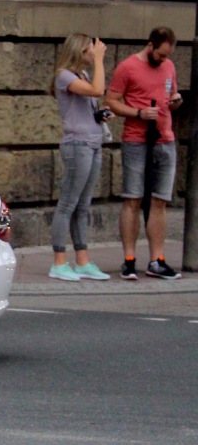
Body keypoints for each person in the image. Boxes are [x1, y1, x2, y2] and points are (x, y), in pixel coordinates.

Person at [105, 26, 184, 280]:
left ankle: (157, 259)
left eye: (166, 56)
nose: (163, 60)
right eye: (160, 55)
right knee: (133, 198)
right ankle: (129, 259)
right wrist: (138, 113)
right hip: (137, 140)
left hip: (165, 139)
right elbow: (112, 101)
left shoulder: (169, 67)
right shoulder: (127, 67)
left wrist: (176, 101)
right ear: (150, 45)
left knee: (160, 200)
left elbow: (170, 94)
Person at [47, 34, 111, 282]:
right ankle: (59, 261)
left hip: (93, 143)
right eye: (89, 50)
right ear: (79, 51)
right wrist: (100, 61)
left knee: (83, 206)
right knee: (67, 204)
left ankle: (82, 259)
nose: (92, 54)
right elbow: (98, 89)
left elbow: (89, 102)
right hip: (77, 145)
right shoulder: (65, 76)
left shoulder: (82, 76)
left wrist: (100, 114)